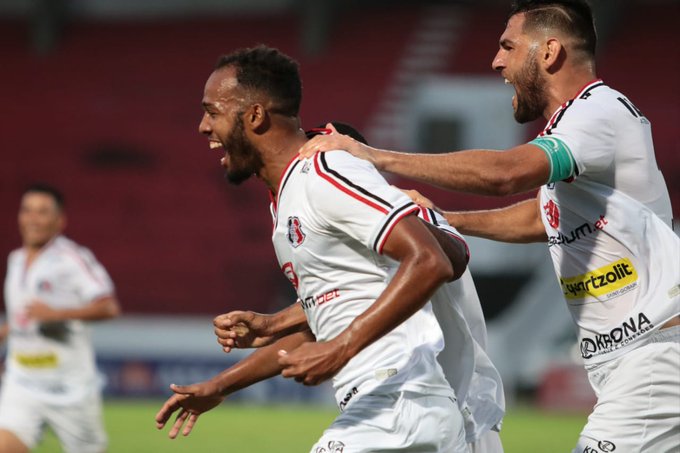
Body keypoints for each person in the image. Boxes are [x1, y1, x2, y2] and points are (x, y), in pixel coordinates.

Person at [298, 1, 680, 451]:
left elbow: (506, 175)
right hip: (634, 356)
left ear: (549, 52)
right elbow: (543, 216)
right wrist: (441, 219)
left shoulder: (597, 111)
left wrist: (376, 156)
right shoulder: (581, 127)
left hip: (654, 351)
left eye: (508, 46)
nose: (496, 61)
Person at [155, 45, 473, 452]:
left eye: (212, 111)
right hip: (404, 409)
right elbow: (327, 320)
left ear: (254, 115)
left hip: (397, 405)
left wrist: (339, 348)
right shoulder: (290, 196)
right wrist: (221, 384)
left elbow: (432, 260)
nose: (202, 126)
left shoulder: (324, 172)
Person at [215, 123, 505, 452]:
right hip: (436, 411)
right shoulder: (373, 240)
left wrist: (335, 346)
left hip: (440, 403)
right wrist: (226, 378)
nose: (310, 169)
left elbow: (446, 259)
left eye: (321, 154)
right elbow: (326, 314)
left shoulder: (405, 225)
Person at [0, 184, 121, 453]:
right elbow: (24, 315)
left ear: (59, 221)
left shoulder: (72, 259)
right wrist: (7, 330)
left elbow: (108, 307)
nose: (33, 219)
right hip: (22, 383)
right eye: (27, 210)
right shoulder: (16, 259)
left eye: (42, 212)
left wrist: (57, 315)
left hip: (70, 390)